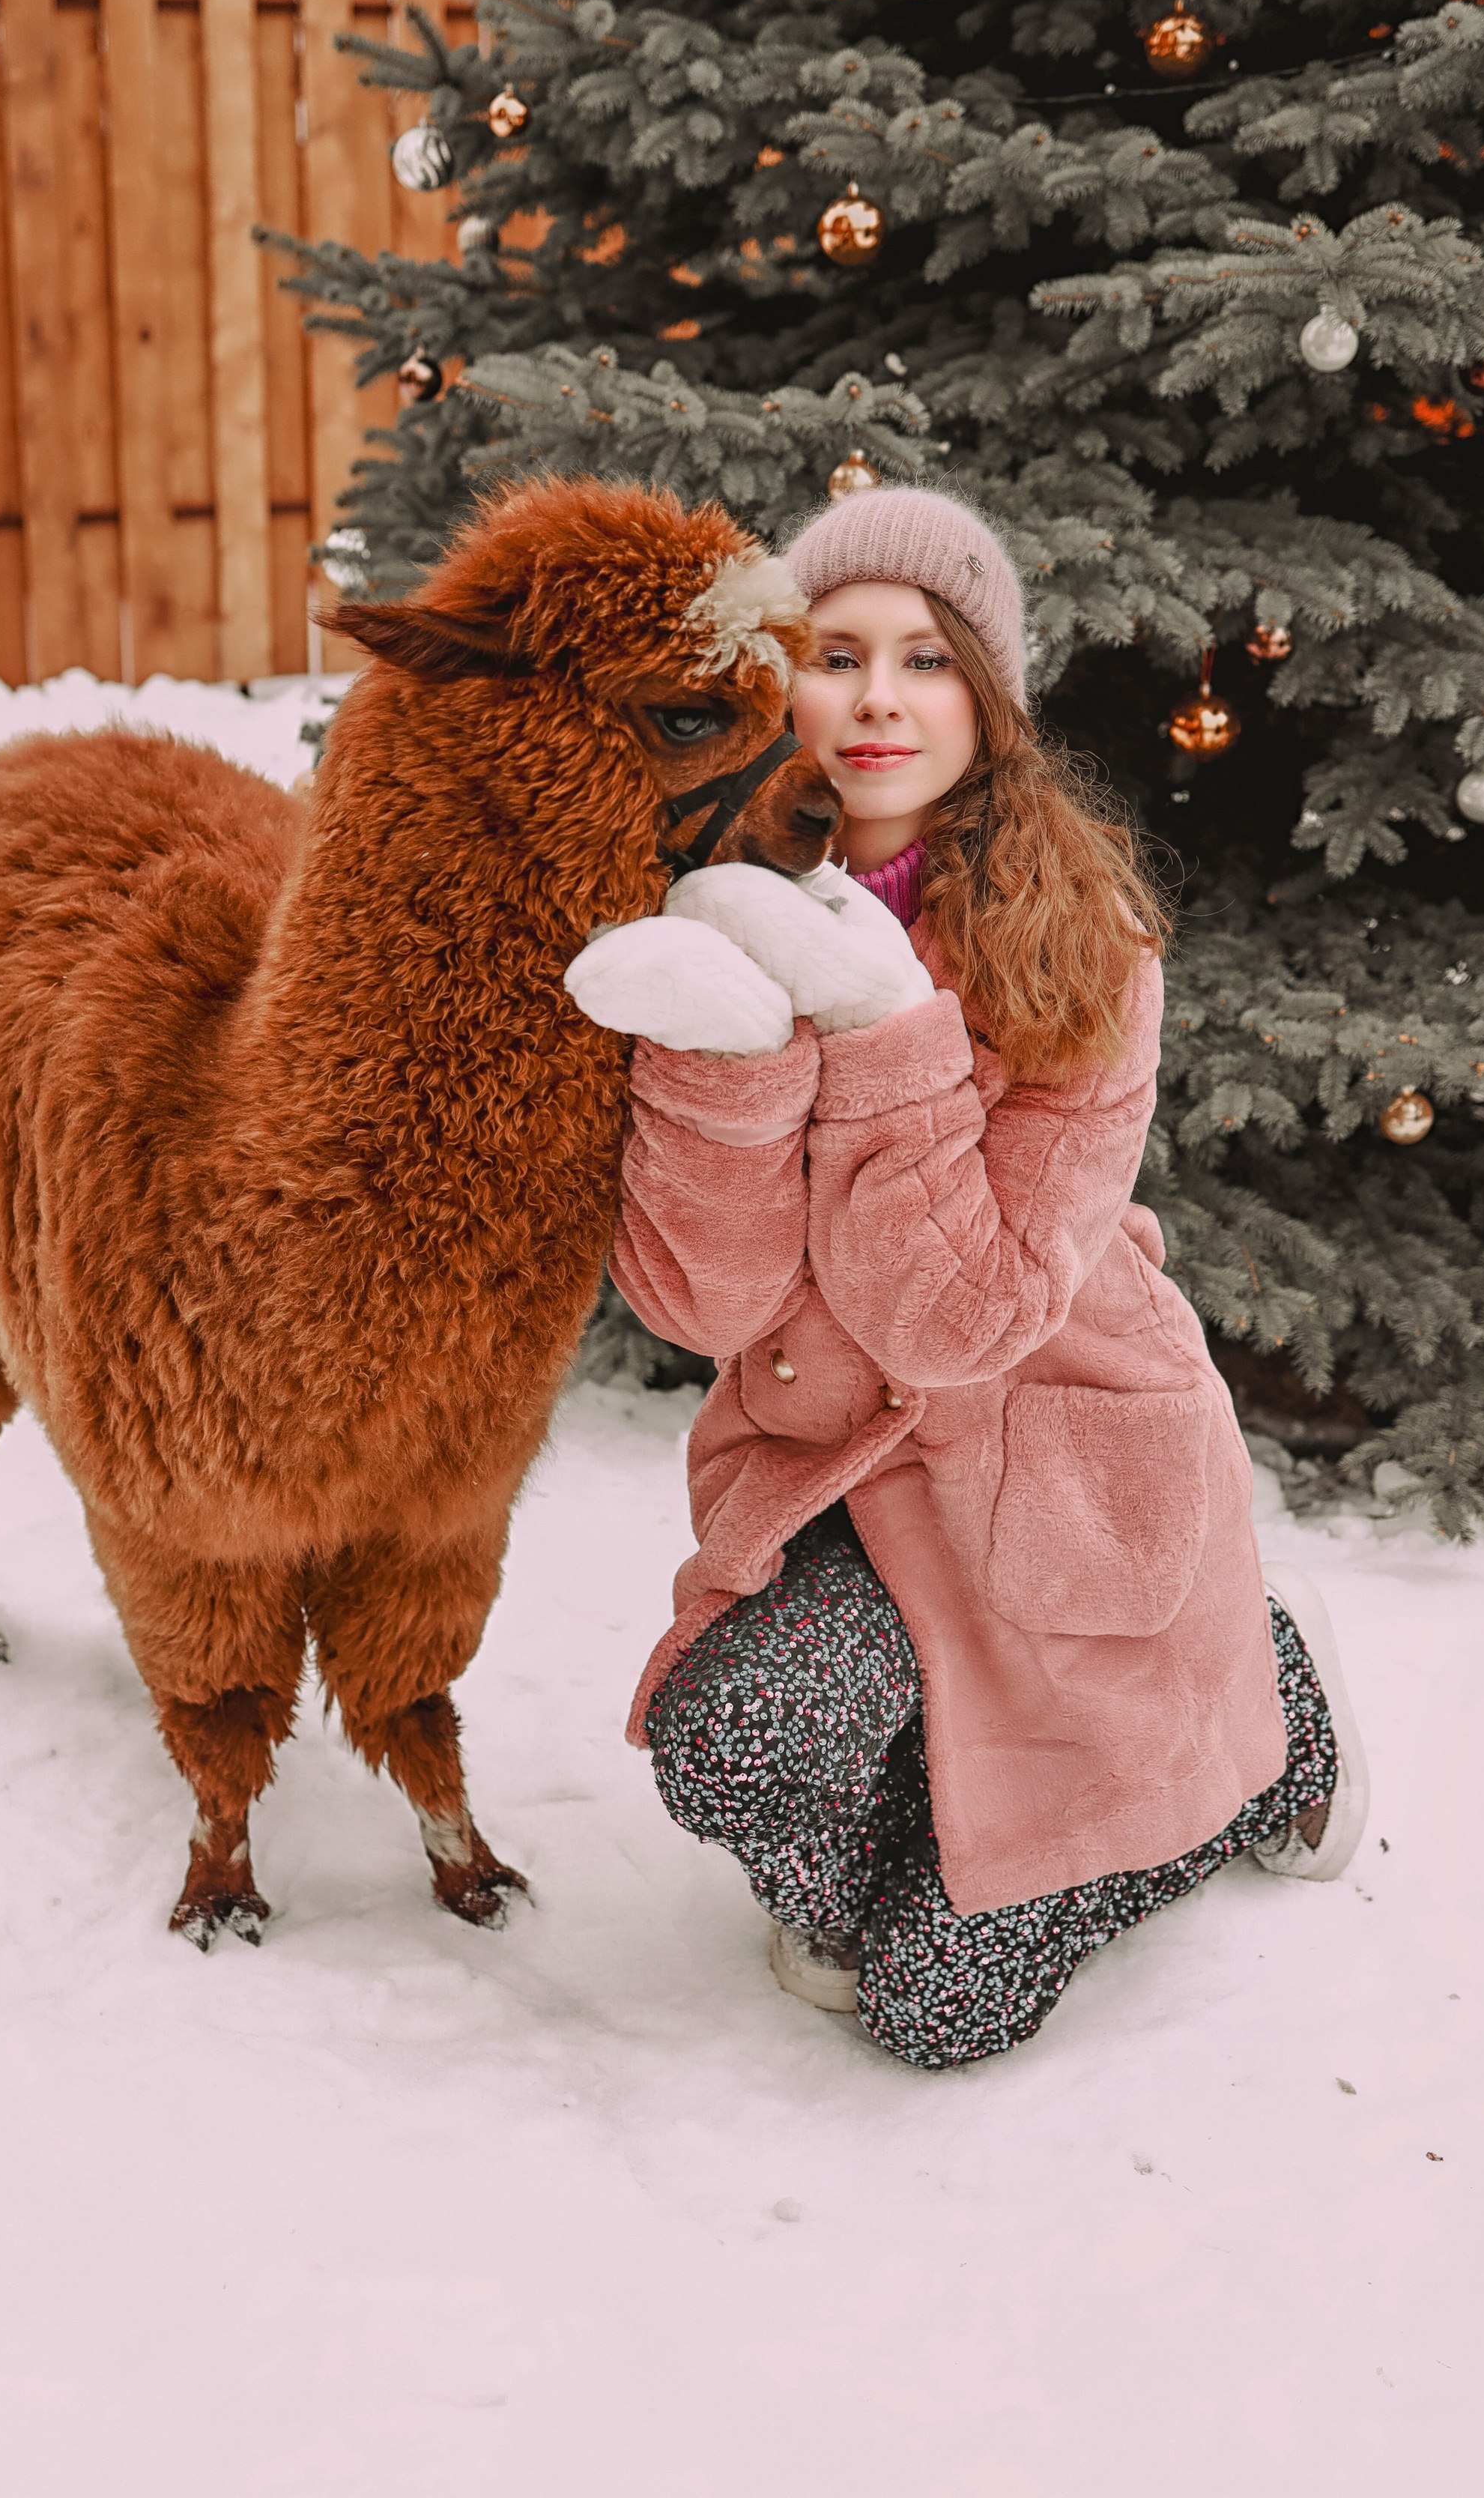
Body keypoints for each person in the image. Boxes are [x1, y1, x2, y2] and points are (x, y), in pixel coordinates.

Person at [565, 487, 1369, 2069]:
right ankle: (893, 1844)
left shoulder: (1087, 943)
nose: (874, 698)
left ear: (985, 702)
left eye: (924, 660)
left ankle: (1266, 1710)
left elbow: (965, 1317)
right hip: (843, 1481)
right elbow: (700, 1309)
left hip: (1052, 1468)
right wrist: (723, 1056)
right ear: (774, 688)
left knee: (932, 2018)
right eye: (834, 654)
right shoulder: (712, 912)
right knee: (730, 1739)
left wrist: (878, 1031)